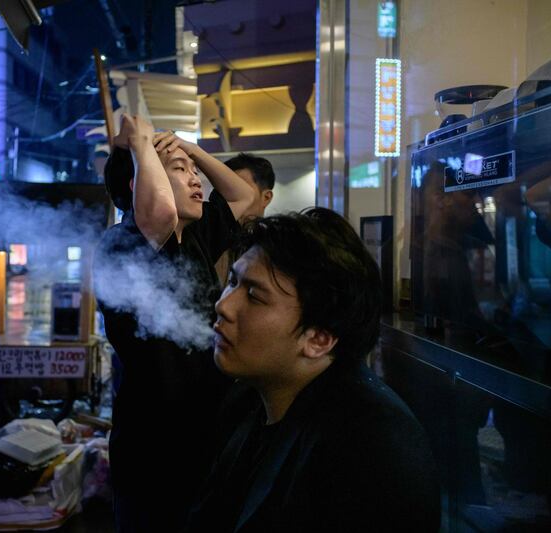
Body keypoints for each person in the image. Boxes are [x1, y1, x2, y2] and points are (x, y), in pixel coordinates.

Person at [184, 208, 441, 532]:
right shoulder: (249, 399)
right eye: (232, 281)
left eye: (253, 295)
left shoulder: (370, 447)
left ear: (319, 339)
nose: (224, 305)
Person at [94, 115, 255, 533]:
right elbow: (159, 210)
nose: (196, 179)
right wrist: (141, 144)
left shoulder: (196, 237)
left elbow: (244, 194)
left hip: (205, 430)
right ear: (139, 184)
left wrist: (188, 148)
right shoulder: (123, 241)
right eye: (180, 171)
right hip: (153, 443)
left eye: (193, 171)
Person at [215, 153, 275, 283]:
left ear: (266, 197)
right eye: (225, 188)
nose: (230, 196)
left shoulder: (275, 248)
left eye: (240, 188)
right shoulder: (209, 240)